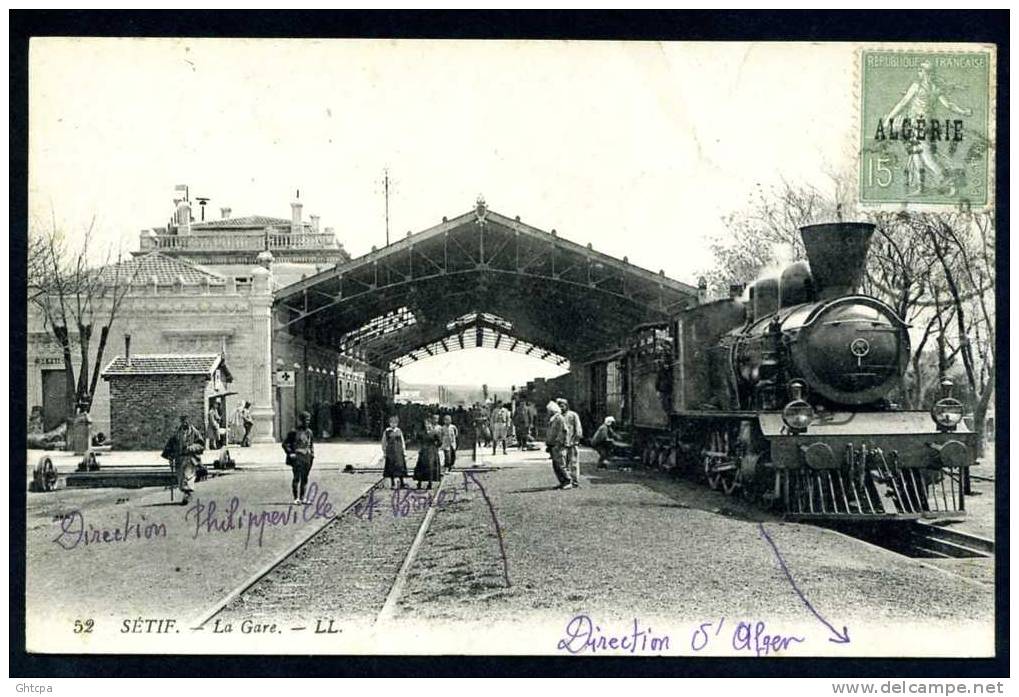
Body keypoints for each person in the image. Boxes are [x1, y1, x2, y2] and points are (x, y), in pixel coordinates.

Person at [160, 414, 205, 505]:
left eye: (186, 420)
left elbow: (201, 445)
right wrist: (169, 455)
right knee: (181, 477)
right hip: (179, 459)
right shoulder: (176, 433)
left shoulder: (194, 432)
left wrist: (192, 448)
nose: (185, 422)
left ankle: (187, 494)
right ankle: (186, 492)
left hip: (190, 458)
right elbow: (170, 445)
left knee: (188, 476)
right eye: (183, 420)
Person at [283, 411, 315, 504]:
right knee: (297, 477)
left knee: (305, 478)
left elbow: (311, 444)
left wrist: (312, 453)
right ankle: (296, 498)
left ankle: (302, 497)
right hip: (297, 456)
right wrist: (290, 453)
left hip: (307, 457)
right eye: (305, 420)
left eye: (309, 420)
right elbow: (285, 444)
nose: (307, 422)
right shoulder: (294, 432)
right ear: (300, 420)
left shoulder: (309, 432)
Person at [545, 401, 572, 490]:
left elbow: (563, 431)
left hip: (558, 445)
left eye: (549, 410)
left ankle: (567, 481)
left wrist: (558, 442)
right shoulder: (553, 419)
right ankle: (562, 482)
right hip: (553, 445)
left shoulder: (559, 418)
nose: (548, 412)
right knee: (556, 464)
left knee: (560, 464)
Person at [557, 398, 583, 487]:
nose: (561, 408)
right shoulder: (558, 416)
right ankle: (566, 481)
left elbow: (578, 428)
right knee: (563, 464)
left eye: (562, 406)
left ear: (566, 406)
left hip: (572, 442)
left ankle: (575, 481)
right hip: (562, 443)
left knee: (574, 462)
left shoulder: (573, 415)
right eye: (559, 406)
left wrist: (576, 439)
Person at [413, 414, 442, 490]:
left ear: (431, 424)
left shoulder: (434, 432)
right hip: (423, 451)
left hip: (432, 451)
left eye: (429, 424)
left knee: (430, 466)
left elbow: (440, 442)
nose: (427, 426)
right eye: (426, 424)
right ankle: (419, 483)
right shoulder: (422, 433)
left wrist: (436, 446)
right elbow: (416, 439)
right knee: (421, 466)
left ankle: (430, 483)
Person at [382, 414, 407, 489]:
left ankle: (402, 482)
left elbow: (402, 441)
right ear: (389, 423)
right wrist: (384, 452)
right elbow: (383, 442)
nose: (393, 424)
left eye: (395, 423)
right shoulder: (387, 431)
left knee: (400, 466)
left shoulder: (399, 431)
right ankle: (393, 483)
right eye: (392, 423)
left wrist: (404, 450)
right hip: (390, 452)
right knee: (391, 467)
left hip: (398, 451)